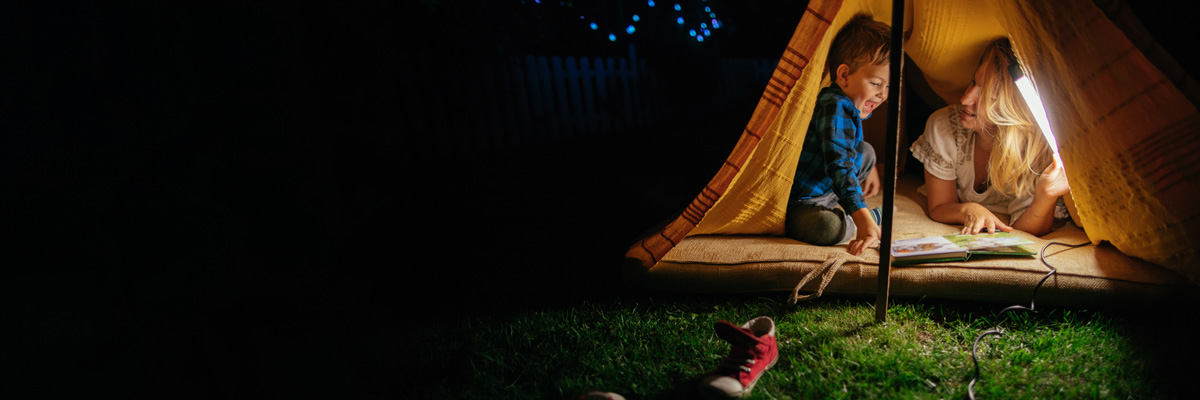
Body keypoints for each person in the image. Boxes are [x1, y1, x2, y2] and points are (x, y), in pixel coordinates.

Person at [909, 38, 1070, 237]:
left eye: (985, 95)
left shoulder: (1033, 151)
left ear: (1014, 106)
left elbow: (1026, 230)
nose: (965, 98)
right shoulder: (946, 127)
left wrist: (1045, 196)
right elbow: (940, 205)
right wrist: (968, 209)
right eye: (973, 83)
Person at [786, 14, 889, 256]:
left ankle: (856, 214)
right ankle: (863, 220)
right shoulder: (834, 105)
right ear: (844, 76)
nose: (883, 94)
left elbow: (849, 146)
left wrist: (869, 167)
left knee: (867, 152)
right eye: (875, 83)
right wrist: (861, 216)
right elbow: (839, 164)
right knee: (826, 228)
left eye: (889, 86)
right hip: (803, 201)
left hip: (827, 190)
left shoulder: (849, 103)